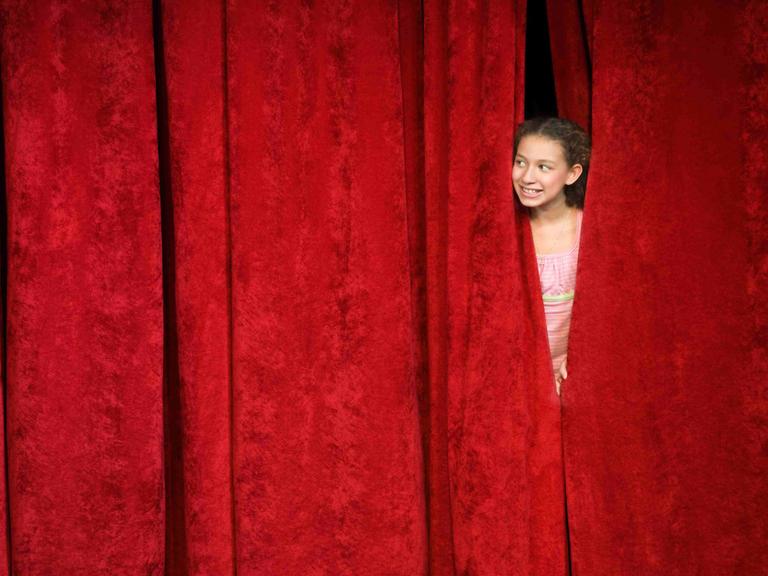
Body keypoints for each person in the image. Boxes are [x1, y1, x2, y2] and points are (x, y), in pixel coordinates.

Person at [512, 117, 591, 396]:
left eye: (543, 167)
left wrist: (585, 362)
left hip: (573, 378)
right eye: (521, 162)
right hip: (516, 378)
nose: (527, 177)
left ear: (572, 174)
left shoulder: (590, 231)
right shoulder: (504, 233)